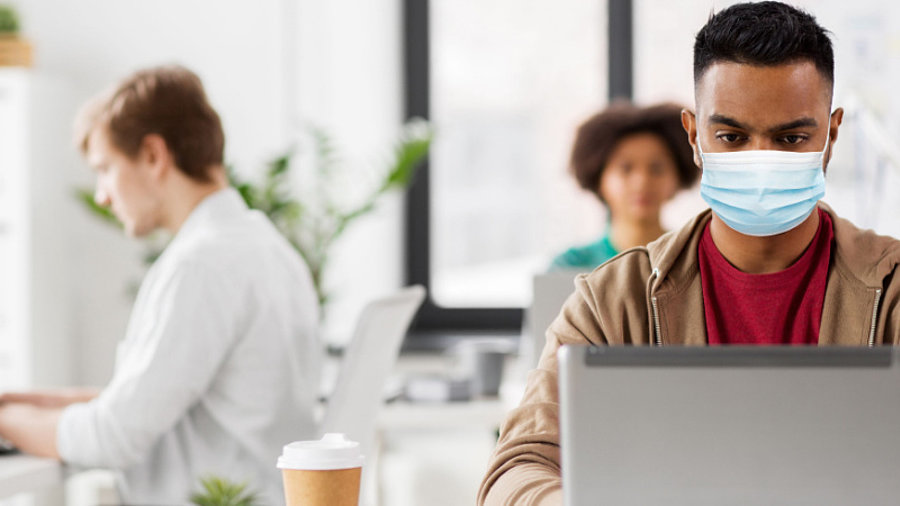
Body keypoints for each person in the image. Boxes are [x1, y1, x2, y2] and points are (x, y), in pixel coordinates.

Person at [478, 2, 900, 504]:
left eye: (791, 137)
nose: (760, 160)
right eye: (732, 136)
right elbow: (519, 464)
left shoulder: (892, 287)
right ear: (694, 136)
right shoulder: (612, 300)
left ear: (831, 134)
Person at [0, 66, 321, 505]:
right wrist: (13, 403)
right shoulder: (267, 249)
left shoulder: (201, 266)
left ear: (153, 155)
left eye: (106, 168)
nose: (103, 195)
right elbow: (136, 402)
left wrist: (5, 422)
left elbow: (112, 436)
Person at [550, 102, 699, 271]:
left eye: (656, 168)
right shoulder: (569, 266)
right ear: (599, 179)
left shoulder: (695, 261)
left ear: (678, 177)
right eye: (625, 168)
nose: (641, 181)